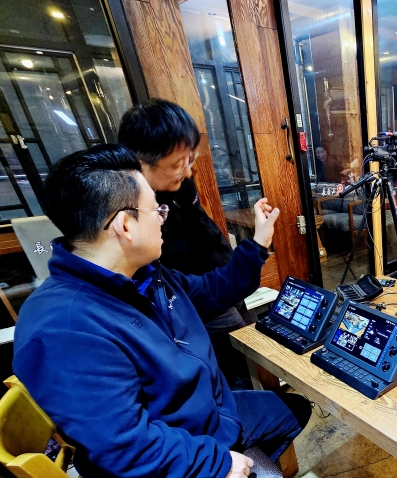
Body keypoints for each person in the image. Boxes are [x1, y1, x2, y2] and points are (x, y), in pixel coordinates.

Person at [13, 144, 311, 477]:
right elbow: (127, 449)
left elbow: (214, 290)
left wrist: (259, 243)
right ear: (125, 225)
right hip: (176, 443)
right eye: (157, 210)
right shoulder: (63, 329)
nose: (162, 219)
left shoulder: (144, 274)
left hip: (209, 414)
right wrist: (218, 462)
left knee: (295, 409)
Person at [119, 99, 251, 389]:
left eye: (191, 160)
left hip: (219, 279)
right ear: (140, 162)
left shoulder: (181, 184)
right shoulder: (132, 209)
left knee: (248, 345)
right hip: (194, 296)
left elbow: (202, 226)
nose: (189, 172)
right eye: (179, 164)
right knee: (231, 365)